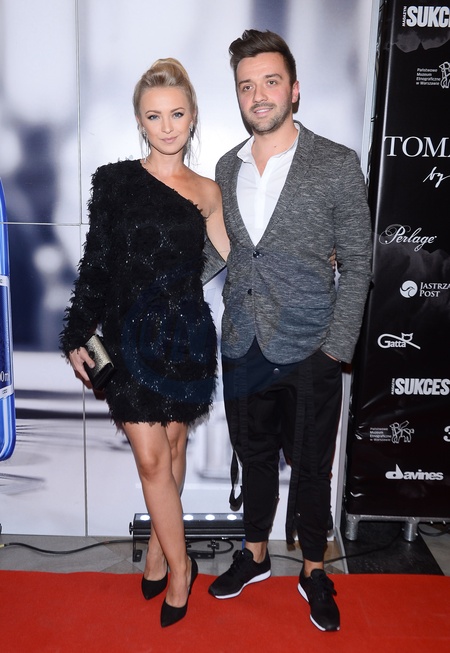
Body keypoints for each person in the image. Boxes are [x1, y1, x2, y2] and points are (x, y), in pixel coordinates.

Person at [204, 30, 372, 632]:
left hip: (311, 347)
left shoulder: (337, 163)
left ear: (294, 90)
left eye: (270, 82)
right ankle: (253, 556)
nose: (258, 95)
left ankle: (313, 569)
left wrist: (335, 350)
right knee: (252, 458)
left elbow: (358, 263)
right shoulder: (225, 167)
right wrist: (161, 285)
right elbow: (223, 250)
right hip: (243, 342)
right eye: (246, 85)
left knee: (311, 467)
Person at [60, 58, 229, 628]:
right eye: (154, 116)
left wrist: (309, 262)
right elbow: (96, 264)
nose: (167, 126)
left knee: (175, 449)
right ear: (139, 120)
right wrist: (77, 334)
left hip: (186, 340)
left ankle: (159, 553)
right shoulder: (115, 182)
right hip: (128, 342)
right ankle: (183, 571)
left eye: (177, 114)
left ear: (193, 116)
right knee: (153, 458)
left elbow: (240, 258)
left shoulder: (208, 191)